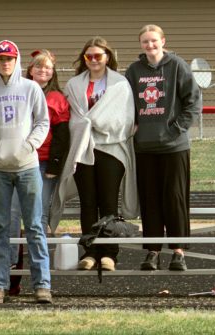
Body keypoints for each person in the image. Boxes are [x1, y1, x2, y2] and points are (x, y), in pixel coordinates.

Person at [0, 40, 52, 304]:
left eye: (9, 58)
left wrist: (30, 145)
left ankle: (42, 284)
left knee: (34, 226)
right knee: (1, 228)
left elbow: (42, 121)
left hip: (27, 166)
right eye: (0, 59)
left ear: (16, 60)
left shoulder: (31, 88)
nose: (5, 63)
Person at [57, 37, 138, 272]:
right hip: (83, 148)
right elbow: (73, 118)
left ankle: (109, 253)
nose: (93, 60)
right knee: (88, 202)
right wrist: (85, 126)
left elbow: (126, 119)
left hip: (111, 149)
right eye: (89, 56)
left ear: (107, 57)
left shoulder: (120, 84)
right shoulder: (74, 85)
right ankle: (90, 251)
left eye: (98, 56)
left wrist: (96, 122)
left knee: (109, 203)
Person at [125, 25, 202, 271]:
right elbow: (126, 104)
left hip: (174, 146)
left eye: (154, 40)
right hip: (145, 146)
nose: (150, 45)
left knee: (174, 198)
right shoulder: (134, 71)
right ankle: (153, 251)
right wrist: (132, 126)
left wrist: (176, 128)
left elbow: (193, 101)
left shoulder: (177, 65)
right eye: (145, 41)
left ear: (163, 41)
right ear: (140, 44)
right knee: (150, 200)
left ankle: (178, 251)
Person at [25, 49, 71, 235]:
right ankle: (13, 252)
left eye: (47, 67)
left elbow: (62, 135)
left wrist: (54, 164)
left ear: (53, 72)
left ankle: (38, 249)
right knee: (15, 210)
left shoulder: (57, 98)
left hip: (43, 161)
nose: (43, 70)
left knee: (40, 209)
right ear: (30, 69)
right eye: (38, 66)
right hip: (19, 159)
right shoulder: (20, 92)